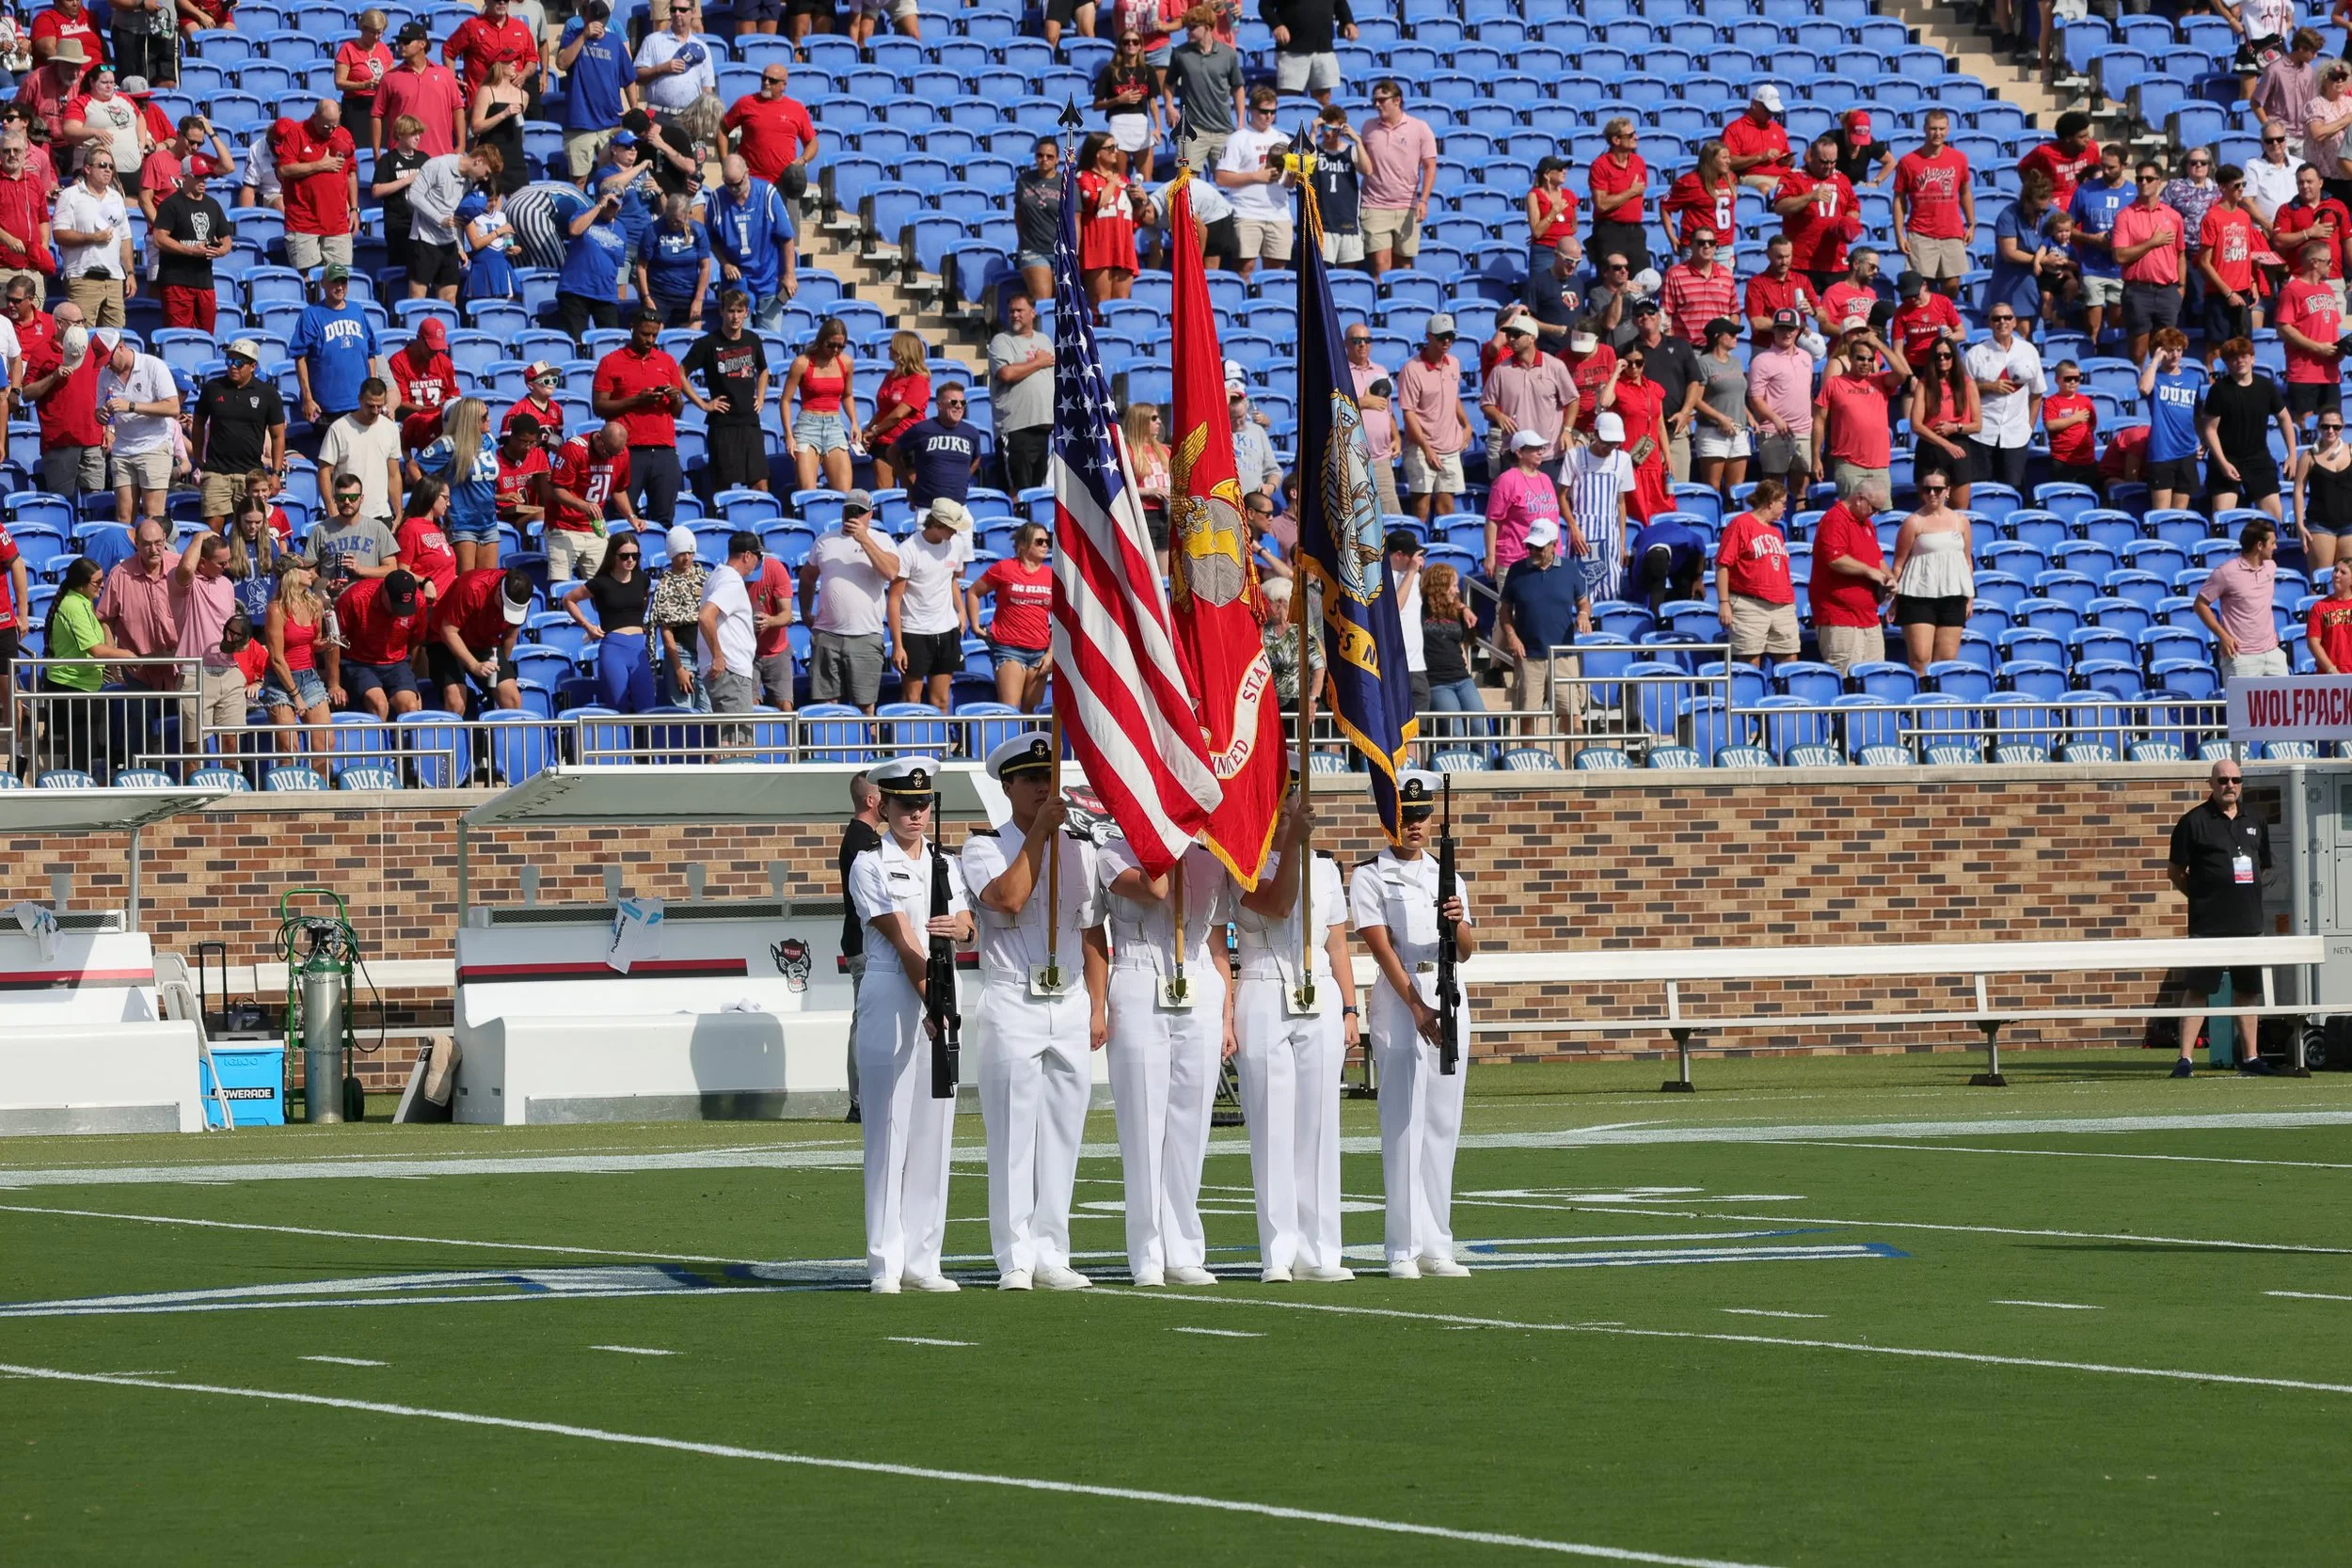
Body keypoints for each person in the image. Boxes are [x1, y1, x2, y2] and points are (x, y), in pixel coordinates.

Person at [961, 734, 1105, 1292]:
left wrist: (1098, 1004)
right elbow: (1009, 899)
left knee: (1064, 1134)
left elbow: (1092, 931)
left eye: (1048, 776)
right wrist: (1040, 835)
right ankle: (1014, 1256)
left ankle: (1053, 1252)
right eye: (1029, 779)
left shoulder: (1083, 848)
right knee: (1013, 1133)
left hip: (1068, 998)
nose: (1043, 787)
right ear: (1008, 787)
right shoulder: (984, 847)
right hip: (1013, 998)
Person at [849, 754, 973, 1292]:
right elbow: (901, 941)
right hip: (898, 992)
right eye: (905, 804)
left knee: (932, 1131)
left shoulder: (946, 863)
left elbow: (967, 921)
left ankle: (925, 1259)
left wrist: (962, 930)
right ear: (885, 805)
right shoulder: (869, 863)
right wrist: (935, 1005)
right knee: (888, 1131)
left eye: (923, 804)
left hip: (940, 990)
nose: (915, 814)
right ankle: (885, 1262)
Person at [1232, 765, 1357, 1284]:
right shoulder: (1238, 861)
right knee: (1270, 1126)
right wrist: (1294, 847)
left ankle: (1322, 1249)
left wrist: (1351, 1009)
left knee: (1320, 1125)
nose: (1289, 803)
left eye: (1294, 794)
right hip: (1263, 985)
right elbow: (1278, 905)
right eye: (1279, 795)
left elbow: (1337, 943)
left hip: (1318, 991)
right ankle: (1277, 1252)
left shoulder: (1325, 867)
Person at [1349, 768, 1475, 1278]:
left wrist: (1457, 919)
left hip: (1448, 991)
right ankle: (1402, 1247)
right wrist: (1416, 1007)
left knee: (1443, 1123)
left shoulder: (1446, 875)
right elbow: (1381, 949)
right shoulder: (1370, 874)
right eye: (1406, 814)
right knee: (1403, 1124)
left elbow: (1467, 952)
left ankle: (1436, 1244)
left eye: (1422, 815)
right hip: (1403, 997)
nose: (1415, 825)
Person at [2167, 762, 2277, 1078]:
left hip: (2247, 923)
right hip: (2208, 924)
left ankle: (2251, 1058)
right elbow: (2175, 873)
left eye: (2236, 779)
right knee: (2199, 988)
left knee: (2247, 989)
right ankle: (2185, 1060)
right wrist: (2201, 896)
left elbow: (2264, 866)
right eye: (2223, 780)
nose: (2230, 785)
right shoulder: (2193, 822)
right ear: (2211, 784)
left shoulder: (2255, 819)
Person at [804, 489, 900, 713]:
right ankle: (830, 748)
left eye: (860, 512)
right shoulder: (825, 541)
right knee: (826, 706)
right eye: (849, 511)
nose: (853, 516)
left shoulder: (882, 540)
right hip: (827, 635)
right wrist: (806, 612)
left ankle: (869, 749)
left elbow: (892, 572)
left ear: (870, 514)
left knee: (866, 705)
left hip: (865, 635)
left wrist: (864, 539)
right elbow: (807, 578)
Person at [1496, 514, 1587, 738]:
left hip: (1563, 656)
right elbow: (1505, 610)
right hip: (1529, 655)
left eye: (1539, 548)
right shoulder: (1517, 571)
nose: (1533, 552)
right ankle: (1529, 764)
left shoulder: (1569, 569)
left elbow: (1583, 602)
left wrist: (1584, 615)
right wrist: (1511, 636)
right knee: (1528, 714)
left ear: (1554, 545)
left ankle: (1574, 766)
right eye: (1530, 547)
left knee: (1572, 714)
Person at [593, 309, 685, 529]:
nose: (650, 340)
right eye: (645, 334)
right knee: (621, 518)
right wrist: (637, 401)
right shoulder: (610, 362)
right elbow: (599, 406)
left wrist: (674, 398)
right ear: (632, 328)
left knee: (664, 520)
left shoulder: (667, 361)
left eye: (654, 335)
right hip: (627, 451)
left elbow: (678, 411)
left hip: (664, 450)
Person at [190, 338, 286, 532]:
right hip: (216, 472)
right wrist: (199, 458)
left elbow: (278, 436)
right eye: (229, 361)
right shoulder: (212, 388)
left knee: (249, 529)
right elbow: (198, 423)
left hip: (250, 473)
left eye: (239, 363)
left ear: (253, 366)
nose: (232, 367)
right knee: (213, 532)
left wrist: (275, 473)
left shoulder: (268, 393)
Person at [2201, 336, 2296, 519]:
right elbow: (2210, 429)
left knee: (2274, 517)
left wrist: (2292, 454)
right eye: (2233, 358)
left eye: (2244, 356)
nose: (2240, 361)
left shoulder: (2266, 386)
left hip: (2258, 458)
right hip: (2226, 459)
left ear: (2252, 359)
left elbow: (2284, 418)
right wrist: (2223, 463)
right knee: (2222, 519)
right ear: (2227, 363)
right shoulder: (2219, 390)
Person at [888, 498, 970, 710]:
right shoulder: (908, 550)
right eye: (951, 527)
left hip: (946, 629)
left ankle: (939, 742)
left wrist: (961, 610)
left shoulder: (956, 544)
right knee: (911, 700)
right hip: (914, 631)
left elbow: (952, 578)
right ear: (936, 524)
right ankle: (908, 743)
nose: (955, 532)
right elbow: (894, 599)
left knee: (941, 700)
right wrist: (897, 645)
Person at [561, 529, 654, 713]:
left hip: (639, 648)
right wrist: (587, 626)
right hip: (614, 648)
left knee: (648, 706)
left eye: (635, 555)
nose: (630, 560)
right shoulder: (601, 582)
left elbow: (642, 605)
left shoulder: (642, 579)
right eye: (625, 555)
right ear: (613, 556)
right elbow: (568, 599)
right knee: (617, 708)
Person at [1888, 475, 1974, 673]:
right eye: (1927, 489)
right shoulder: (1913, 522)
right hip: (1917, 596)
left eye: (1937, 489)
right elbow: (1899, 564)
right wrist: (1894, 599)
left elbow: (1967, 562)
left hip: (1953, 595)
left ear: (1947, 490)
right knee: (1920, 659)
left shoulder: (1961, 521)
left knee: (1946, 661)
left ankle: (1939, 702)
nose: (1932, 493)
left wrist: (1970, 597)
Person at [966, 520, 1052, 711]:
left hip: (1039, 651)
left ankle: (1031, 744)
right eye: (1039, 541)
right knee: (1010, 710)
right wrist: (975, 625)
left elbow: (1062, 620)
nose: (1045, 545)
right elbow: (973, 592)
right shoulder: (1004, 568)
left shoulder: (1051, 575)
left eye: (1047, 541)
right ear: (1022, 545)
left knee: (1032, 713)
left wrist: (1051, 653)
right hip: (1008, 648)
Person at [1815, 328, 1910, 499]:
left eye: (1869, 359)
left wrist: (1878, 344)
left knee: (1880, 519)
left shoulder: (1880, 380)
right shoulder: (1835, 383)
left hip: (1879, 466)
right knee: (1852, 519)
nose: (1865, 363)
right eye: (1860, 358)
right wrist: (1816, 457)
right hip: (1849, 465)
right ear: (1850, 358)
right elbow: (1819, 420)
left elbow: (1902, 374)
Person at [94, 329, 174, 530]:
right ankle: (126, 559)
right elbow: (98, 410)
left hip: (153, 446)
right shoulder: (105, 374)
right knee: (123, 517)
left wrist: (131, 406)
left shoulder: (153, 366)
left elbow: (172, 407)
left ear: (121, 347)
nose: (108, 365)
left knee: (152, 516)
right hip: (123, 449)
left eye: (109, 359)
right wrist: (101, 416)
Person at [1809, 482, 1892, 673]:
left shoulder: (1866, 523)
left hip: (1869, 616)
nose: (1875, 514)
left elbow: (1877, 558)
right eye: (1873, 508)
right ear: (1859, 498)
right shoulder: (1835, 519)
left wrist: (1889, 577)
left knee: (1875, 677)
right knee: (1846, 677)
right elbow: (1835, 558)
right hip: (1841, 617)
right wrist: (1869, 571)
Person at [1891, 108, 1974, 297]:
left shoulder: (1958, 158)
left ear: (1948, 129)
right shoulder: (1908, 161)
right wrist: (1899, 234)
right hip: (1921, 233)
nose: (1938, 133)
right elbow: (1899, 200)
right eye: (1934, 128)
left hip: (1952, 231)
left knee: (1952, 287)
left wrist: (1971, 224)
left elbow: (1965, 192)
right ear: (1925, 129)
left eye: (1942, 129)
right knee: (1921, 290)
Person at [428, 562, 531, 714]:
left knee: (512, 699)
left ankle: (503, 735)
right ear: (498, 593)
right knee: (456, 702)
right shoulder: (471, 587)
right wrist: (474, 665)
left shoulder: (523, 595)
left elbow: (511, 631)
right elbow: (448, 631)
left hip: (485, 641)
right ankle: (450, 736)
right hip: (446, 641)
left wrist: (501, 668)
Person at [1963, 304, 2043, 496]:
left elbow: (2037, 392)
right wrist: (1989, 387)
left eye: (2007, 317)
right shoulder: (1975, 354)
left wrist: (2029, 426)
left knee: (2012, 491)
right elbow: (1962, 393)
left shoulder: (2028, 351)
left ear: (2015, 322)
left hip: (2016, 434)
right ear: (1989, 323)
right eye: (1997, 318)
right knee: (1981, 491)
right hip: (1981, 434)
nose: (2002, 322)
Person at [1714, 479, 1797, 664]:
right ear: (1770, 502)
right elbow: (1722, 565)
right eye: (1782, 504)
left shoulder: (1776, 531)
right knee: (1749, 661)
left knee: (1790, 659)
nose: (1785, 508)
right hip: (1749, 604)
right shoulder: (1741, 524)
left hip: (1782, 605)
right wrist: (1724, 602)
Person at [292, 264, 381, 436]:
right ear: (323, 283)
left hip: (359, 405)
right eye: (334, 282)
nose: (339, 287)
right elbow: (300, 357)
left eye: (343, 282)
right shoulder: (311, 315)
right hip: (326, 408)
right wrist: (308, 398)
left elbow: (371, 353)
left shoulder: (357, 310)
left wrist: (373, 392)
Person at [328, 566, 427, 720]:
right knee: (379, 705)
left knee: (411, 707)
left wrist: (411, 677)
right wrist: (334, 684)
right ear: (384, 592)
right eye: (395, 605)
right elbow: (334, 641)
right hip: (359, 662)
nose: (398, 611)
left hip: (397, 663)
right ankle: (378, 742)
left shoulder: (419, 601)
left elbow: (416, 641)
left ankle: (407, 744)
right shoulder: (355, 598)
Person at [414, 396, 499, 573]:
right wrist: (432, 496)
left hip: (489, 521)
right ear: (470, 420)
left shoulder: (489, 440)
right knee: (466, 584)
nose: (489, 419)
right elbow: (414, 466)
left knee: (487, 582)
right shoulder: (448, 445)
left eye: (488, 414)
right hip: (462, 522)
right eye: (484, 417)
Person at [261, 554, 332, 761]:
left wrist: (328, 644)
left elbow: (314, 643)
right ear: (291, 574)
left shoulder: (314, 604)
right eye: (306, 569)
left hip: (308, 676)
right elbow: (276, 658)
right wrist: (296, 696)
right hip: (280, 680)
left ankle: (322, 788)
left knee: (326, 743)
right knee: (289, 747)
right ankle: (290, 790)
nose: (313, 573)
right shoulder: (276, 609)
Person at [545, 420, 636, 581]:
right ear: (599, 438)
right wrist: (583, 505)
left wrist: (630, 516)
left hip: (595, 528)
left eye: (615, 454)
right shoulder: (574, 449)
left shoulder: (621, 453)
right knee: (560, 585)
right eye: (608, 452)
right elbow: (557, 489)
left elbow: (618, 489)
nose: (610, 457)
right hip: (564, 526)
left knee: (604, 587)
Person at [1397, 313, 1469, 521]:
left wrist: (1467, 425)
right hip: (1421, 447)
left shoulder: (1454, 363)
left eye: (1450, 337)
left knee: (1447, 506)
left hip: (1449, 446)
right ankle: (1416, 551)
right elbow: (1408, 412)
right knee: (1422, 507)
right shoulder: (1412, 369)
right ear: (1429, 337)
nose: (1447, 341)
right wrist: (1426, 448)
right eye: (1441, 337)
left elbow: (1452, 396)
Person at [2115, 161, 2186, 364]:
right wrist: (2152, 243)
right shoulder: (2125, 216)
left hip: (2167, 290)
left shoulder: (2173, 216)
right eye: (2139, 178)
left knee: (2169, 350)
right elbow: (2119, 256)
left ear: (2160, 182)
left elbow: (2180, 253)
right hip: (2138, 290)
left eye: (2149, 178)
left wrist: (2181, 287)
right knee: (2138, 351)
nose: (2143, 182)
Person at [557, 1, 637, 180]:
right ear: (585, 16)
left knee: (614, 177)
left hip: (610, 122)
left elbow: (629, 78)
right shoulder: (572, 35)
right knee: (579, 179)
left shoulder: (615, 41)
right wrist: (584, 36)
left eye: (601, 19)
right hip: (580, 123)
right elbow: (562, 63)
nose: (597, 22)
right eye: (594, 17)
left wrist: (634, 108)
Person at [2196, 516, 2284, 676]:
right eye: (2272, 543)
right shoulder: (2225, 572)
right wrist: (2223, 636)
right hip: (2241, 657)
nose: (2275, 547)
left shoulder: (2271, 567)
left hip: (2273, 654)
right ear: (2259, 545)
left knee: (2285, 702)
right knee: (2241, 703)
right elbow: (2200, 604)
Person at [1558, 414, 1632, 603]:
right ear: (1595, 435)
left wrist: (1623, 543)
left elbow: (1621, 503)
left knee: (1611, 589)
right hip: (1583, 534)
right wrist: (1573, 528)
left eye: (1614, 443)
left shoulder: (1623, 460)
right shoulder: (1575, 456)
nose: (1609, 448)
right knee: (1582, 592)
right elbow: (1562, 496)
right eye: (1606, 442)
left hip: (1611, 537)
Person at [781, 314, 859, 495]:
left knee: (844, 492)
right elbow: (785, 400)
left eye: (841, 346)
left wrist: (854, 421)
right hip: (808, 425)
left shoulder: (846, 363)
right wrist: (789, 435)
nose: (836, 350)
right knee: (808, 491)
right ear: (821, 341)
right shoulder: (802, 363)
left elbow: (847, 395)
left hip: (834, 425)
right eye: (831, 345)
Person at [53, 149, 131, 327]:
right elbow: (59, 234)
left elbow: (125, 237)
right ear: (87, 169)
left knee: (114, 341)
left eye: (111, 166)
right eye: (102, 165)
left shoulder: (116, 198)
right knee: (82, 340)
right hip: (83, 279)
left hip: (114, 281)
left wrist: (131, 273)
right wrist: (93, 237)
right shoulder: (70, 195)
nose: (108, 170)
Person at [1772, 135, 1860, 293]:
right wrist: (1809, 197)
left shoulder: (1841, 179)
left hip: (1835, 261)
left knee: (1834, 313)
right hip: (1802, 262)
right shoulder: (1793, 178)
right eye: (1824, 162)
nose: (1829, 167)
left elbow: (1853, 208)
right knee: (1799, 310)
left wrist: (1847, 223)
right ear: (1811, 157)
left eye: (1833, 162)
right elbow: (1780, 207)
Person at [2275, 237, 2344, 426]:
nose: (2332, 265)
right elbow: (2283, 327)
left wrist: (2339, 350)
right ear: (2314, 262)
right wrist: (2317, 348)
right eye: (2328, 261)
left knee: (2333, 422)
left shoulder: (2328, 289)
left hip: (2330, 372)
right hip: (2304, 372)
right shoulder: (2292, 290)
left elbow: (2332, 327)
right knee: (2305, 423)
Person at [988, 293, 1054, 493]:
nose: (1015, 315)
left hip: (1044, 428)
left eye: (1020, 311)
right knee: (1018, 492)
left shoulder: (1044, 340)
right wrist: (1038, 362)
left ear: (1032, 313)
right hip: (1016, 428)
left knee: (1039, 492)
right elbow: (1006, 373)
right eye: (1011, 311)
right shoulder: (1002, 341)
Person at [318, 378, 403, 531]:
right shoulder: (339, 428)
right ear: (360, 400)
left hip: (381, 516)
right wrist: (331, 507)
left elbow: (394, 474)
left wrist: (398, 512)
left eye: (380, 406)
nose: (376, 411)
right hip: (346, 513)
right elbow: (324, 472)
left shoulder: (391, 429)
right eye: (370, 406)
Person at [1484, 426, 1565, 586]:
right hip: (1516, 559)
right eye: (1533, 449)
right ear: (1519, 453)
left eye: (1541, 448)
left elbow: (1553, 518)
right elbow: (1492, 520)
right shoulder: (1506, 480)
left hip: (1549, 559)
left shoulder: (1546, 479)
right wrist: (1490, 556)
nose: (1540, 452)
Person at [1746, 309, 1815, 488]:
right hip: (1773, 431)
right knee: (1774, 488)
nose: (1786, 333)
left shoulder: (1806, 357)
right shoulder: (1761, 360)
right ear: (1774, 330)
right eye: (1781, 328)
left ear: (1798, 330)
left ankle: (1798, 515)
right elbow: (1755, 398)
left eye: (1790, 329)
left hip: (1803, 430)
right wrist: (1776, 419)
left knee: (1801, 486)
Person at [693, 530, 760, 716]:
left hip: (725, 671)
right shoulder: (732, 581)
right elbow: (706, 616)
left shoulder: (717, 575)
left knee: (730, 737)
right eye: (758, 556)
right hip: (732, 671)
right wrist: (718, 656)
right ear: (747, 555)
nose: (758, 562)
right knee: (739, 741)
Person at [374, 24, 465, 159]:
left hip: (440, 156)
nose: (400, 45)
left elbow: (457, 109)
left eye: (406, 41)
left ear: (422, 44)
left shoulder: (445, 75)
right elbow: (376, 114)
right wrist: (376, 152)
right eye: (399, 42)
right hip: (402, 158)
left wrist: (461, 145)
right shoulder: (390, 77)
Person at [890, 383, 980, 512]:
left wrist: (963, 478)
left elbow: (977, 459)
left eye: (963, 402)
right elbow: (892, 452)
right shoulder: (922, 429)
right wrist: (909, 487)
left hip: (959, 508)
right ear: (939, 405)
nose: (959, 406)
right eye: (954, 402)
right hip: (927, 508)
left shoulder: (972, 433)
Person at [1419, 562, 1484, 741]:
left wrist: (1464, 608)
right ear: (1440, 586)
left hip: (1462, 678)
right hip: (1437, 682)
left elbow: (1462, 645)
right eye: (1453, 585)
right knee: (1456, 734)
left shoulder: (1457, 611)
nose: (1456, 590)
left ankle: (1486, 769)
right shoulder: (1419, 609)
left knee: (1481, 729)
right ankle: (1451, 771)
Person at [305, 471, 401, 589]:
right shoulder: (320, 530)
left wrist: (361, 570)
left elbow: (391, 569)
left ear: (361, 498)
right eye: (341, 497)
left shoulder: (378, 528)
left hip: (369, 601)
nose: (347, 502)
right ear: (335, 499)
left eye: (353, 497)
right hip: (334, 602)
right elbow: (309, 571)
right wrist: (326, 584)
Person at [1689, 317, 1750, 499]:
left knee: (1736, 489)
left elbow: (1737, 395)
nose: (1735, 337)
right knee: (1712, 487)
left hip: (1739, 431)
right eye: (1731, 334)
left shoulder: (1737, 362)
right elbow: (1695, 400)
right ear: (1717, 336)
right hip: (1712, 432)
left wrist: (1748, 415)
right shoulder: (1703, 363)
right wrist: (1720, 418)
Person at [1587, 116, 1650, 277]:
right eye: (1630, 135)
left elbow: (1641, 191)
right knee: (1611, 282)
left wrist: (1629, 194)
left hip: (1636, 230)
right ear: (1615, 140)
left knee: (1642, 279)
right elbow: (1601, 203)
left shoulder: (1639, 162)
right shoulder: (1600, 165)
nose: (1636, 137)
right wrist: (1630, 192)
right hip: (1610, 231)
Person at [2296, 412, 2352, 574]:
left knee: (2348, 583)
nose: (2331, 430)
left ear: (2342, 428)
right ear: (2318, 428)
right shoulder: (2308, 456)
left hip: (2349, 524)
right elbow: (2299, 490)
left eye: (2336, 427)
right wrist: (2300, 524)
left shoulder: (2350, 451)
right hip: (2320, 524)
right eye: (2325, 426)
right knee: (2320, 579)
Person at [393, 475, 456, 605]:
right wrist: (425, 582)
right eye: (445, 498)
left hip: (446, 604)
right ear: (432, 495)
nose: (448, 503)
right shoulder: (410, 528)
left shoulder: (438, 527)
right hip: (426, 605)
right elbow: (401, 571)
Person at [2042, 360, 2102, 494]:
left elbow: (2092, 425)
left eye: (2077, 378)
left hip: (2087, 460)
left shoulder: (2085, 401)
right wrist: (2074, 419)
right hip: (2063, 460)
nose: (2073, 382)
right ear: (2058, 380)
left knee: (2087, 495)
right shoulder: (2051, 401)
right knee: (2064, 495)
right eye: (2068, 379)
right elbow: (2050, 425)